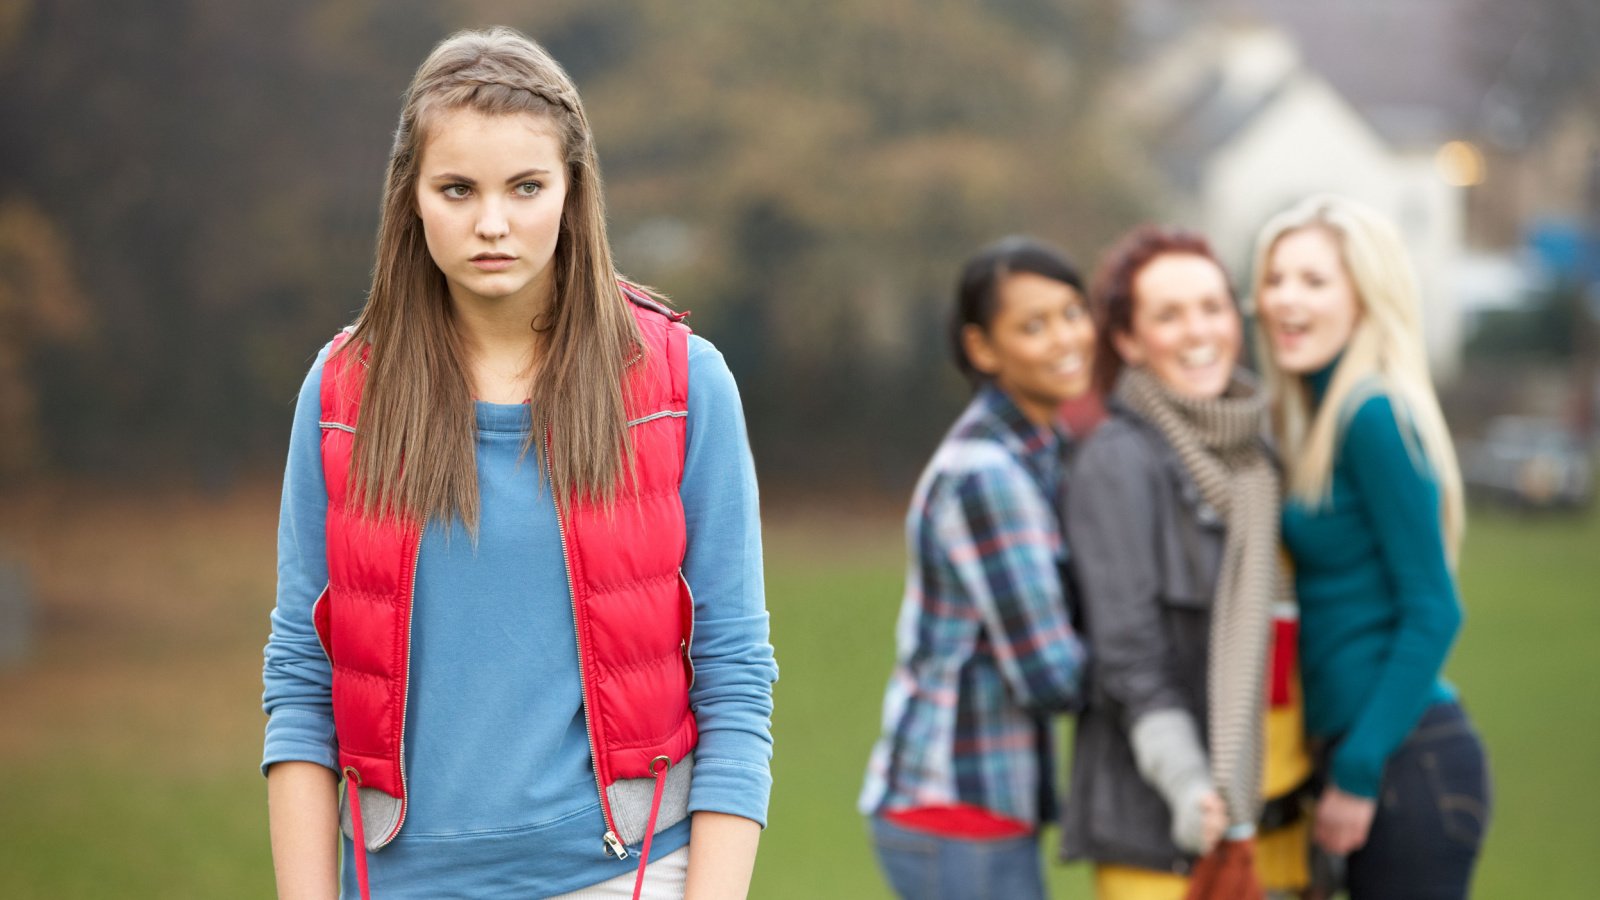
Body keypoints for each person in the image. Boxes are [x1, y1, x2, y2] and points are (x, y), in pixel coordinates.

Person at [260, 27, 776, 900]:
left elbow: (734, 673)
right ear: (411, 198)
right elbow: (302, 677)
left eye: (526, 187)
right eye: (457, 189)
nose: (492, 223)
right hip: (397, 883)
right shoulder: (345, 390)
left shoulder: (683, 384)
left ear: (573, 192)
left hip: (623, 876)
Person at [1251, 195, 1490, 899]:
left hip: (1406, 763)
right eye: (1275, 278)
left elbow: (1435, 609)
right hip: (1364, 754)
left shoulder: (1372, 416)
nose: (1285, 299)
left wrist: (1357, 771)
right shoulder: (1316, 415)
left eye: (1315, 281)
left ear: (1365, 298)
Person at [1060, 225, 1307, 899]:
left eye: (1212, 306)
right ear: (1128, 341)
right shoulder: (1118, 459)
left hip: (1280, 822)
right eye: (1168, 315)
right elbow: (1126, 651)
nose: (1198, 330)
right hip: (1172, 832)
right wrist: (1187, 782)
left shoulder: (1261, 454)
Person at [859, 236, 1093, 900]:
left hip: (984, 808)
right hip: (953, 809)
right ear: (983, 349)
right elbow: (1050, 675)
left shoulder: (1045, 448)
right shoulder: (986, 474)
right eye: (1033, 325)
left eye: (1073, 313)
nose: (1065, 338)